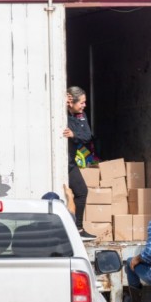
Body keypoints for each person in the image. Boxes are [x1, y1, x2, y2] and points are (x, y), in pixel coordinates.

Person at [62, 86, 96, 241]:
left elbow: (87, 136)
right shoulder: (61, 114)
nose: (84, 106)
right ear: (71, 103)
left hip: (70, 163)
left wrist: (74, 134)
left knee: (82, 192)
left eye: (84, 102)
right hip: (60, 163)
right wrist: (62, 104)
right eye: (81, 103)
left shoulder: (81, 116)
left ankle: (78, 228)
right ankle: (70, 228)